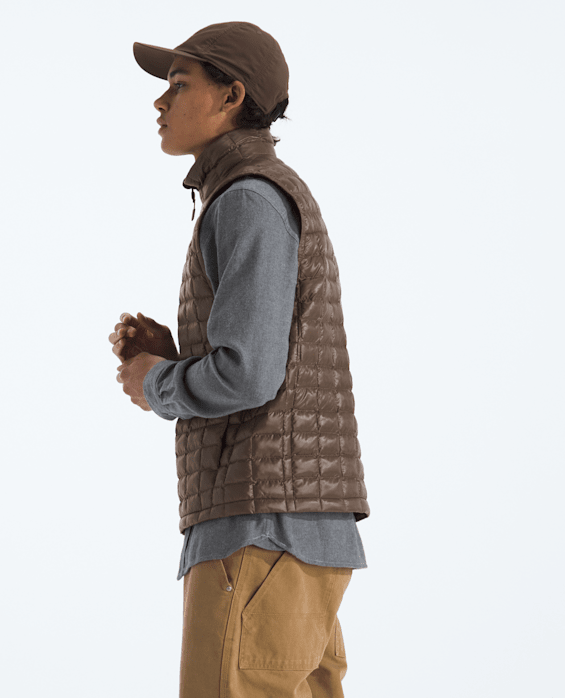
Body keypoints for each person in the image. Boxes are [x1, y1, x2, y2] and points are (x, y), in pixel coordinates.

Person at [108, 21, 370, 698]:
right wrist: (178, 357)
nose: (160, 101)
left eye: (178, 83)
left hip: (259, 531)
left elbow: (249, 375)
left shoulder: (248, 197)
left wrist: (156, 382)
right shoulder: (253, 193)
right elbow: (260, 360)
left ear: (232, 97)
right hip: (290, 534)